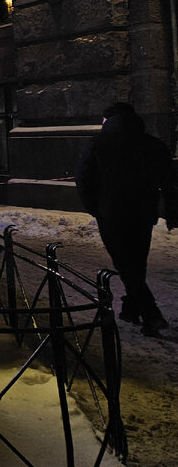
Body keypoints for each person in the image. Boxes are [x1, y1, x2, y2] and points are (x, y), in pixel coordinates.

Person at [76, 102, 178, 338]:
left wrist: (95, 208)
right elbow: (170, 183)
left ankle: (152, 316)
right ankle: (131, 309)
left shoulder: (97, 144)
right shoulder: (153, 145)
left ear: (108, 120)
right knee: (136, 264)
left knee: (126, 266)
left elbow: (84, 180)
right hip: (143, 215)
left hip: (112, 215)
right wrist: (171, 212)